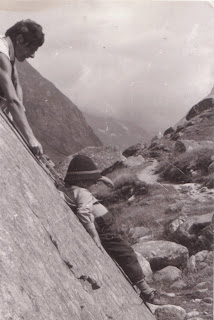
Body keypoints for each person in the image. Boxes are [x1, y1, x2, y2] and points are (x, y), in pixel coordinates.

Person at [60, 154, 164, 305]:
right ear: (83, 181)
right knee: (127, 254)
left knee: (124, 248)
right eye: (92, 181)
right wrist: (94, 235)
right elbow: (84, 213)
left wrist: (101, 178)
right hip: (103, 231)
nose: (94, 184)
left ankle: (145, 289)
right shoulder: (83, 193)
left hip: (106, 227)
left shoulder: (71, 189)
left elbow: (82, 186)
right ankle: (146, 291)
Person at [0, 19, 44, 156]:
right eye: (32, 48)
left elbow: (16, 81)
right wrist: (31, 138)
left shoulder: (6, 45)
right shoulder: (1, 54)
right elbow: (12, 101)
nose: (32, 55)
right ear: (19, 39)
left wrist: (21, 108)